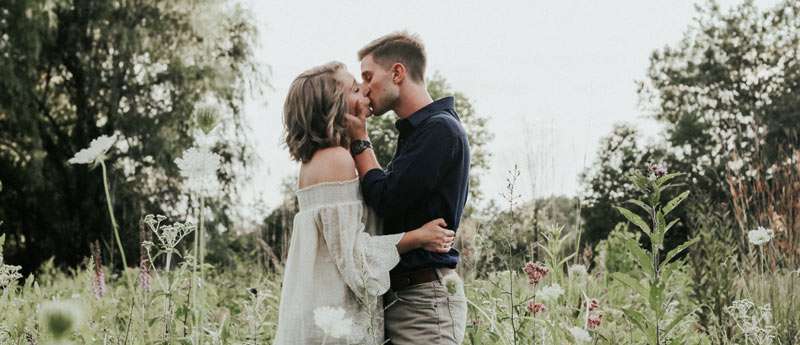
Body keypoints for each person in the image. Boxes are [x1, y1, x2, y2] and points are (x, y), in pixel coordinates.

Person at [273, 61, 456, 345]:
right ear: (335, 104)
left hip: (326, 312)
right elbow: (355, 258)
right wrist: (417, 238)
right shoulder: (335, 159)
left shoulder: (325, 158)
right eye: (356, 89)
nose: (366, 94)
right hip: (334, 322)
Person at [345, 31, 470, 345]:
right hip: (409, 298)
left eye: (368, 76)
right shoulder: (421, 132)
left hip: (424, 305)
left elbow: (386, 199)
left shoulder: (439, 129)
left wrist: (359, 137)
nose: (363, 88)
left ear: (397, 73)